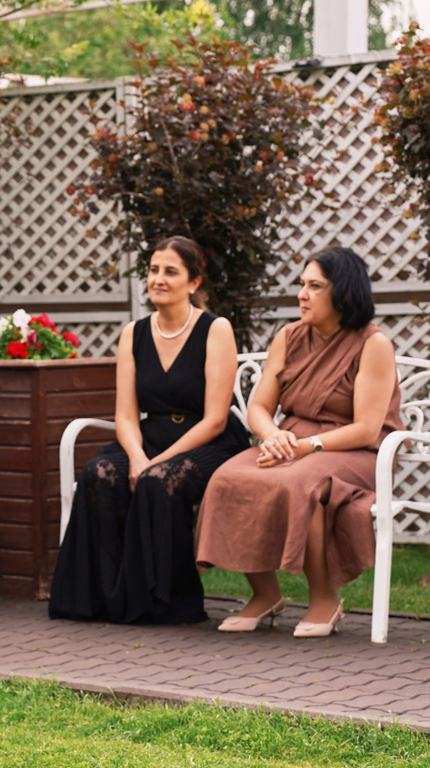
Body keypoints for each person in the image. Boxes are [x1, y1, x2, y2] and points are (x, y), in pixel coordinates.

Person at [196, 247, 403, 637]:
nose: (301, 294)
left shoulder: (373, 344)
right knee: (228, 478)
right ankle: (265, 593)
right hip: (292, 443)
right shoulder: (289, 337)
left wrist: (304, 447)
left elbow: (366, 428)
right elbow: (259, 406)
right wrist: (273, 435)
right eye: (302, 284)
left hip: (356, 451)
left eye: (314, 286)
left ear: (343, 292)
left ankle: (324, 598)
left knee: (300, 483)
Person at [48, 237, 252, 624]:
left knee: (158, 480)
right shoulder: (134, 332)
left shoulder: (215, 329)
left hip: (208, 440)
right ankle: (103, 601)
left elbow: (215, 419)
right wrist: (138, 457)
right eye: (154, 270)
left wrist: (154, 463)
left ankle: (167, 604)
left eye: (170, 271)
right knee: (99, 473)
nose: (158, 279)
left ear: (193, 282)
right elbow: (125, 415)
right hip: (150, 436)